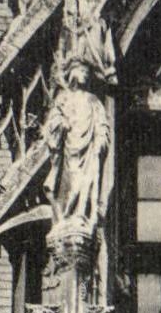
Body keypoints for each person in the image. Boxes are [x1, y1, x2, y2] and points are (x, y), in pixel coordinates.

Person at [43, 58, 111, 235]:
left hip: (88, 151)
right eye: (80, 70)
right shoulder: (63, 98)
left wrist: (101, 140)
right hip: (69, 150)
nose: (84, 74)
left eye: (86, 72)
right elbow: (53, 121)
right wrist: (61, 124)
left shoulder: (93, 100)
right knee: (70, 182)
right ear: (71, 73)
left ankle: (81, 214)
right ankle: (66, 216)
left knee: (85, 183)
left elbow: (102, 123)